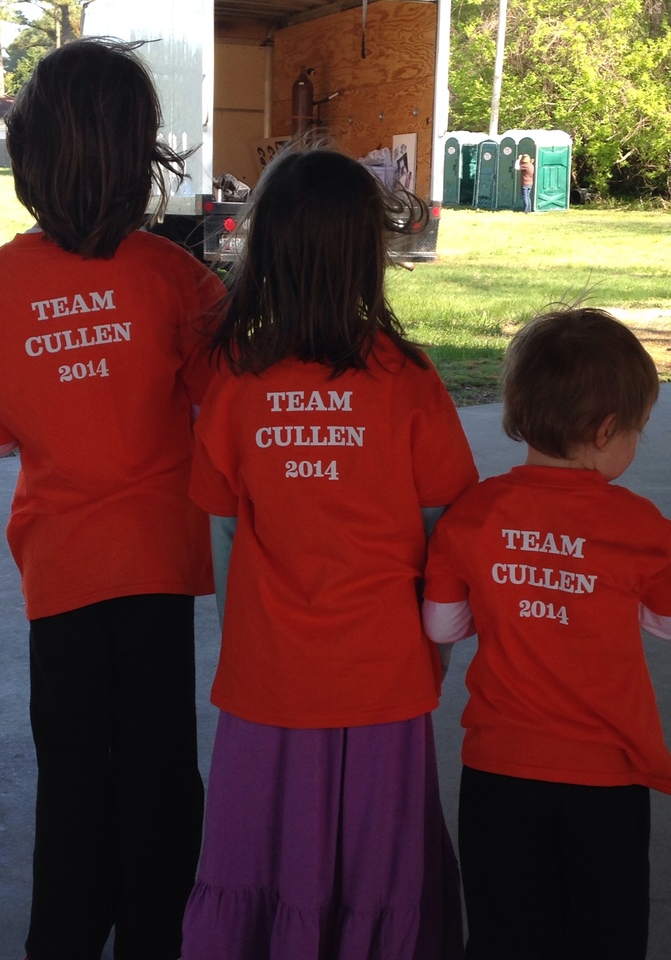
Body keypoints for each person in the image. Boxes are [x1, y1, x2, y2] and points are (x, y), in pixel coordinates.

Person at [0, 38, 226, 960]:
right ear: (141, 157)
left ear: (25, 156)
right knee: (160, 768)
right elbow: (223, 411)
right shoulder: (180, 279)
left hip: (59, 571)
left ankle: (62, 938)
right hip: (158, 562)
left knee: (72, 772)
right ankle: (159, 935)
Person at [181, 146, 479, 960]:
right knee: (379, 857)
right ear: (368, 255)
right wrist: (439, 646)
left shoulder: (236, 384)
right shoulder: (409, 381)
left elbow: (222, 534)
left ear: (264, 249)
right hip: (386, 671)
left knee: (264, 844)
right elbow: (446, 529)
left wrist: (245, 641)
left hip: (268, 676)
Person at [422, 307, 671, 959]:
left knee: (506, 936)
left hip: (498, 771)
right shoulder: (641, 527)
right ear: (607, 428)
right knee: (605, 938)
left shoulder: (473, 514)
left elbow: (442, 623)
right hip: (607, 778)